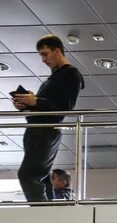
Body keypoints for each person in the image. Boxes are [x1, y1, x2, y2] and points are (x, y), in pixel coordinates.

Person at [14, 35, 83, 203]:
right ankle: (45, 213)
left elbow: (65, 108)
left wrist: (36, 101)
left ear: (57, 51)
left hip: (45, 131)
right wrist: (28, 104)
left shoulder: (71, 74)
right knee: (42, 177)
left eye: (45, 54)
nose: (43, 59)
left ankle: (42, 215)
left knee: (28, 175)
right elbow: (49, 105)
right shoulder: (54, 77)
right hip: (37, 130)